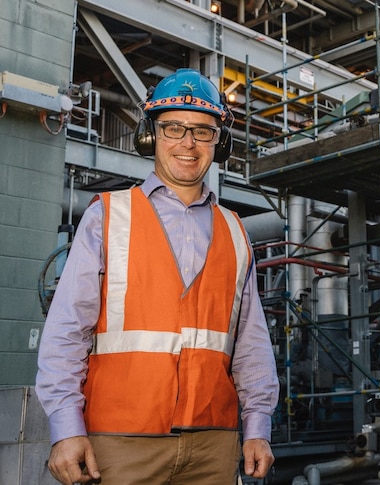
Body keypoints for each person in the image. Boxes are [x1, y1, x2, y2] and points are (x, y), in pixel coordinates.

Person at [35, 68, 279, 485]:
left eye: (203, 131)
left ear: (220, 142)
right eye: (173, 128)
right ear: (150, 135)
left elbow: (251, 341)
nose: (188, 143)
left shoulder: (236, 230)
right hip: (118, 442)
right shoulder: (107, 216)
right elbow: (66, 330)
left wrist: (258, 425)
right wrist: (66, 426)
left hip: (213, 444)